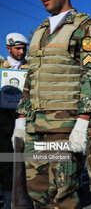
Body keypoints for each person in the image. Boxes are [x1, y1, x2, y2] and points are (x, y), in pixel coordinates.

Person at [12, 0, 91, 208]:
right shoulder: (39, 33)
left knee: (64, 195)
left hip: (64, 128)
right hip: (36, 127)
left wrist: (83, 122)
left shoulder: (85, 29)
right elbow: (31, 78)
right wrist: (21, 119)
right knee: (38, 196)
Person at [0, 33, 28, 209]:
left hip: (21, 119)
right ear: (9, 48)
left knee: (18, 160)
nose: (21, 51)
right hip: (2, 120)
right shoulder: (1, 66)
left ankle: (15, 198)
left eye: (24, 48)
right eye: (18, 48)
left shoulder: (29, 67)